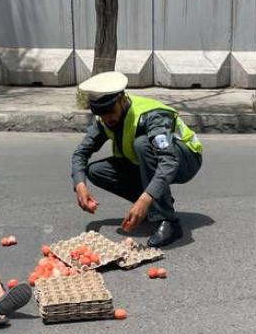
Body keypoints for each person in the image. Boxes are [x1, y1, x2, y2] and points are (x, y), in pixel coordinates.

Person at [71, 72, 203, 248]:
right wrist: (80, 184)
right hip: (154, 161)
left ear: (122, 100)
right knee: (96, 171)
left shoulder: (151, 115)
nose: (106, 118)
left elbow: (168, 161)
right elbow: (81, 153)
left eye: (110, 112)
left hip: (185, 159)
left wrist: (145, 199)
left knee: (142, 144)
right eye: (101, 114)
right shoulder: (104, 121)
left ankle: (168, 221)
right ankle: (154, 204)